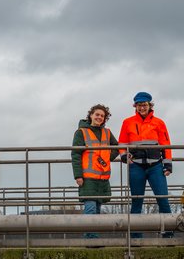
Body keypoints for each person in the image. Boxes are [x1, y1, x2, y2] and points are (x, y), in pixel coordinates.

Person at [118, 92, 173, 236]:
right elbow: (122, 143)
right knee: (136, 202)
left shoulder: (159, 123)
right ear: (135, 106)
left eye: (144, 105)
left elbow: (166, 144)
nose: (142, 108)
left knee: (163, 199)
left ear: (150, 105)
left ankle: (168, 235)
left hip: (156, 166)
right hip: (136, 166)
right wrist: (124, 156)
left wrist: (168, 165)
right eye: (139, 105)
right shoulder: (127, 122)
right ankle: (136, 238)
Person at [71, 104, 120, 238]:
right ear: (91, 115)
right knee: (91, 208)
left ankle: (92, 238)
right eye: (97, 114)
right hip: (87, 178)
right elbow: (75, 155)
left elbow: (117, 147)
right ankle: (91, 238)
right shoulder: (81, 132)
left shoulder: (107, 133)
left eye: (102, 116)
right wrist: (78, 175)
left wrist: (108, 157)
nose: (99, 117)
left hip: (102, 178)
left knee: (97, 209)